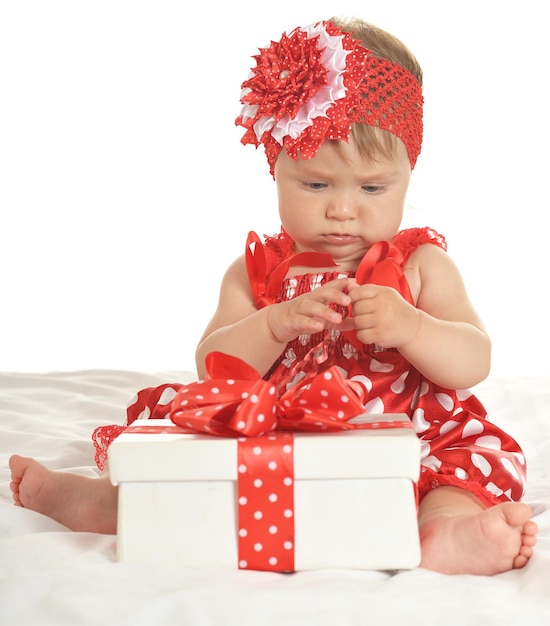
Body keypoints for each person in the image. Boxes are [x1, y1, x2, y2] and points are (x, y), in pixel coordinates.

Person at [9, 16, 537, 575]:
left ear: (408, 173)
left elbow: (472, 359)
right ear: (277, 169)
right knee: (188, 466)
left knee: (460, 467)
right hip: (275, 429)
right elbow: (212, 367)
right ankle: (100, 503)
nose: (342, 209)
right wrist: (273, 324)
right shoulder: (258, 271)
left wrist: (414, 328)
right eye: (314, 184)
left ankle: (441, 533)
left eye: (373, 188)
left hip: (410, 434)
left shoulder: (422, 266)